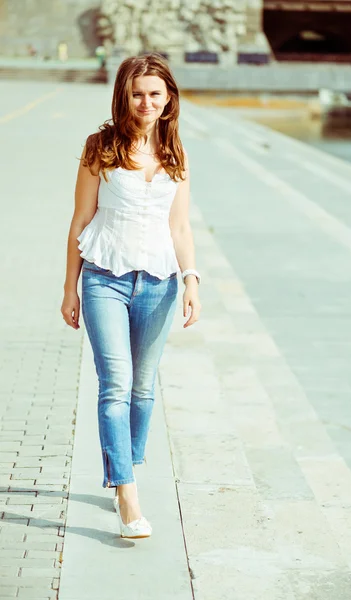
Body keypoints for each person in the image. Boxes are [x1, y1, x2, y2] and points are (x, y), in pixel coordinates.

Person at [60, 53, 201, 540]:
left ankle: (126, 460)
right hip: (104, 278)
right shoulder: (99, 147)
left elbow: (180, 227)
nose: (146, 102)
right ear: (124, 94)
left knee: (143, 388)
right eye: (138, 93)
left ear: (168, 100)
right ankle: (126, 490)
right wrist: (69, 288)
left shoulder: (176, 153)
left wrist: (191, 281)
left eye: (155, 94)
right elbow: (80, 220)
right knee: (115, 384)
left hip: (160, 283)